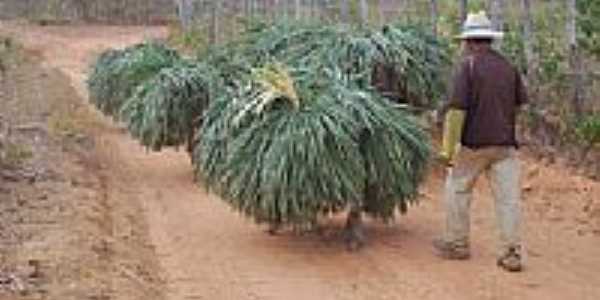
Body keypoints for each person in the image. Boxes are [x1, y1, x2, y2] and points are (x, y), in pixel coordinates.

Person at [434, 11, 528, 272]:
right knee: (508, 200)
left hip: (474, 145)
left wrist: (447, 150)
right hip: (505, 145)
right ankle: (511, 254)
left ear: (469, 41)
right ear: (489, 39)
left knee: (457, 188)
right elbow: (519, 104)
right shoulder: (509, 67)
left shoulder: (468, 66)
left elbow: (456, 110)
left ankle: (456, 244)